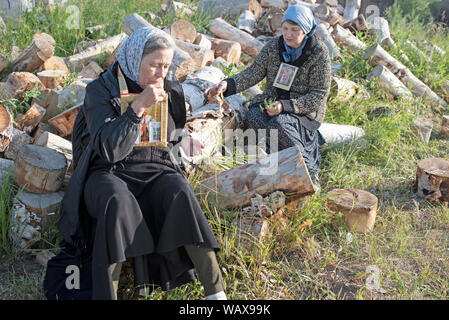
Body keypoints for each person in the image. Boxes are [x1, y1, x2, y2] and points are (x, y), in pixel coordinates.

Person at [56, 27, 227, 300]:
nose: (161, 74)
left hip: (154, 168)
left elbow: (172, 132)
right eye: (155, 66)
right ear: (135, 60)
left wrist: (182, 140)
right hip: (108, 172)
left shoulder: (168, 86)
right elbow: (109, 150)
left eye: (167, 66)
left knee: (179, 191)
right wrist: (137, 109)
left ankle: (216, 294)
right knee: (117, 200)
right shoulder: (100, 91)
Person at [206, 5, 332, 190]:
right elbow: (253, 72)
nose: (288, 34)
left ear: (305, 30)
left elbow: (319, 94)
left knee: (279, 123)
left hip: (303, 109)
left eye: (294, 30)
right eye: (285, 28)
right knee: (254, 116)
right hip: (273, 101)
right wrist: (227, 84)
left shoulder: (318, 53)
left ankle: (307, 168)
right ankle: (279, 163)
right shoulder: (274, 46)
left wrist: (285, 106)